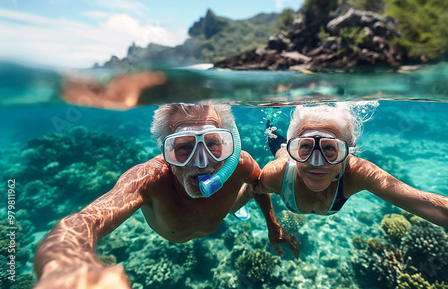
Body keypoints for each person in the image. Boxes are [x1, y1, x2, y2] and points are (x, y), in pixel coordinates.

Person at [34, 102, 299, 289]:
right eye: (183, 147)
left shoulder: (239, 164)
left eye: (213, 143)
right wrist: (67, 266)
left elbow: (258, 186)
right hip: (176, 235)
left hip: (219, 212)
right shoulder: (150, 178)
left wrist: (272, 225)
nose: (203, 162)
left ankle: (235, 206)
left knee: (251, 187)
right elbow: (85, 221)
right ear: (165, 151)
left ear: (227, 143)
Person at [235, 103, 448, 248]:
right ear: (297, 151)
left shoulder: (358, 173)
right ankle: (274, 128)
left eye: (330, 149)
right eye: (304, 148)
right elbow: (250, 190)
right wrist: (272, 224)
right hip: (284, 158)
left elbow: (431, 204)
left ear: (347, 154)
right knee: (277, 146)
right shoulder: (278, 172)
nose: (317, 162)